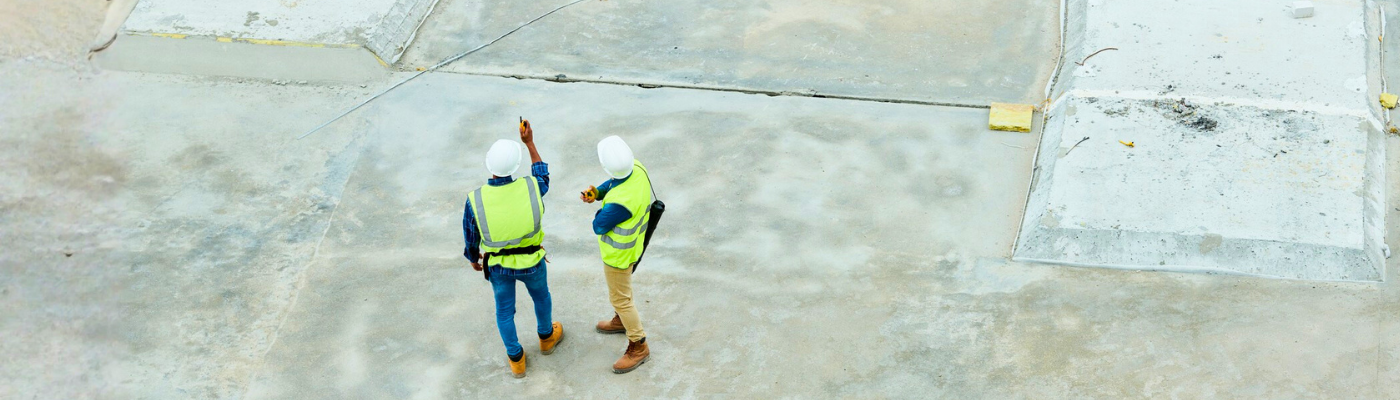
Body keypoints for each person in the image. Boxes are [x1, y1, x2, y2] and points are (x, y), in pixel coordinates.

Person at [463, 119, 563, 379]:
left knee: (504, 312)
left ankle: (516, 359)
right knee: (541, 297)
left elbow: (470, 234)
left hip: (498, 267)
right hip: (533, 261)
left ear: (489, 164)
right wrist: (529, 143)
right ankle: (546, 338)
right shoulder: (531, 187)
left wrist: (474, 257)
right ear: (516, 166)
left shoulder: (475, 199)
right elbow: (543, 175)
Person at [580, 135, 654, 374]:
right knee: (621, 295)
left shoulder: (619, 204)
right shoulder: (638, 167)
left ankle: (638, 345)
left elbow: (598, 226)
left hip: (618, 257)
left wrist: (602, 205)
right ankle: (620, 320)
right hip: (636, 244)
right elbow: (615, 181)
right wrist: (599, 192)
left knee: (621, 299)